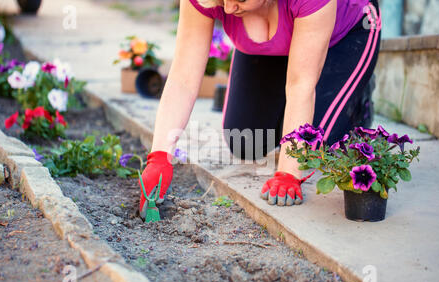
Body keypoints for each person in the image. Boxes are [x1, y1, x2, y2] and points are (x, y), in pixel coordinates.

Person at [138, 0, 382, 213]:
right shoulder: (219, 2)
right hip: (275, 37)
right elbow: (183, 77)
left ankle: (356, 102)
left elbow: (300, 86)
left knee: (314, 149)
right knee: (246, 141)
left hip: (343, 35)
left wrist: (288, 173)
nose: (229, 7)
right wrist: (159, 155)